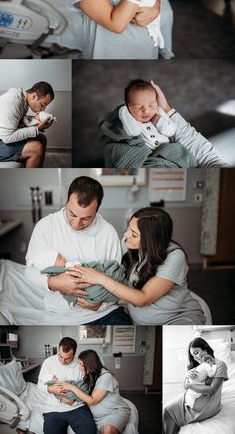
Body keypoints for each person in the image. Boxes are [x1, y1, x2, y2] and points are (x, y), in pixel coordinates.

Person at [67, 207, 206, 325]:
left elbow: (142, 299)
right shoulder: (128, 243)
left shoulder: (175, 256)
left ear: (151, 241)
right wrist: (98, 303)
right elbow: (111, 272)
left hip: (176, 319)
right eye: (129, 228)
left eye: (134, 234)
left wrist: (99, 278)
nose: (126, 235)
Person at [25, 175, 132, 325]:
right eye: (72, 214)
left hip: (102, 313)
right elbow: (29, 271)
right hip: (58, 314)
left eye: (86, 218)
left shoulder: (108, 233)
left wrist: (100, 305)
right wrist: (53, 282)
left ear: (97, 209)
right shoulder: (46, 226)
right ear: (67, 201)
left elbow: (117, 279)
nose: (76, 224)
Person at [99, 79, 229, 168]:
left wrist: (160, 120)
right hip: (149, 153)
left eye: (151, 104)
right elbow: (132, 133)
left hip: (168, 150)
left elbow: (171, 131)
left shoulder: (159, 113)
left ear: (157, 102)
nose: (146, 110)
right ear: (127, 107)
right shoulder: (131, 120)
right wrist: (124, 112)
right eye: (138, 107)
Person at [55, 349, 131, 434]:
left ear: (89, 364)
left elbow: (92, 401)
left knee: (108, 430)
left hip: (114, 412)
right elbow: (84, 396)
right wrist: (73, 402)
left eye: (81, 364)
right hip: (97, 418)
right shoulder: (90, 376)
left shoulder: (106, 377)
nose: (79, 368)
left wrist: (72, 387)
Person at [163, 337, 228, 434]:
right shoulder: (198, 367)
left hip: (205, 405)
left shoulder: (220, 365)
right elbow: (185, 386)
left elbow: (212, 390)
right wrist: (187, 376)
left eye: (196, 352)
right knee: (166, 410)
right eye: (193, 355)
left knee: (169, 413)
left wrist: (190, 386)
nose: (195, 357)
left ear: (205, 349)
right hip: (190, 398)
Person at [38, 337, 97, 434]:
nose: (62, 361)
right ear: (58, 349)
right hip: (54, 408)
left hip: (77, 408)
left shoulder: (80, 365)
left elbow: (86, 389)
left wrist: (74, 402)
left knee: (89, 431)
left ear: (74, 354)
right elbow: (39, 385)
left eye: (67, 358)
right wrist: (49, 389)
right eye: (60, 356)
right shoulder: (48, 362)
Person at [0, 81, 54, 167]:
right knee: (36, 148)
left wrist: (35, 120)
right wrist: (37, 129)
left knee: (42, 138)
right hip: (3, 139)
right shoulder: (12, 104)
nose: (43, 109)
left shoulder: (22, 99)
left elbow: (17, 122)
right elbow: (8, 137)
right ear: (34, 96)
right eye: (43, 104)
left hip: (3, 137)